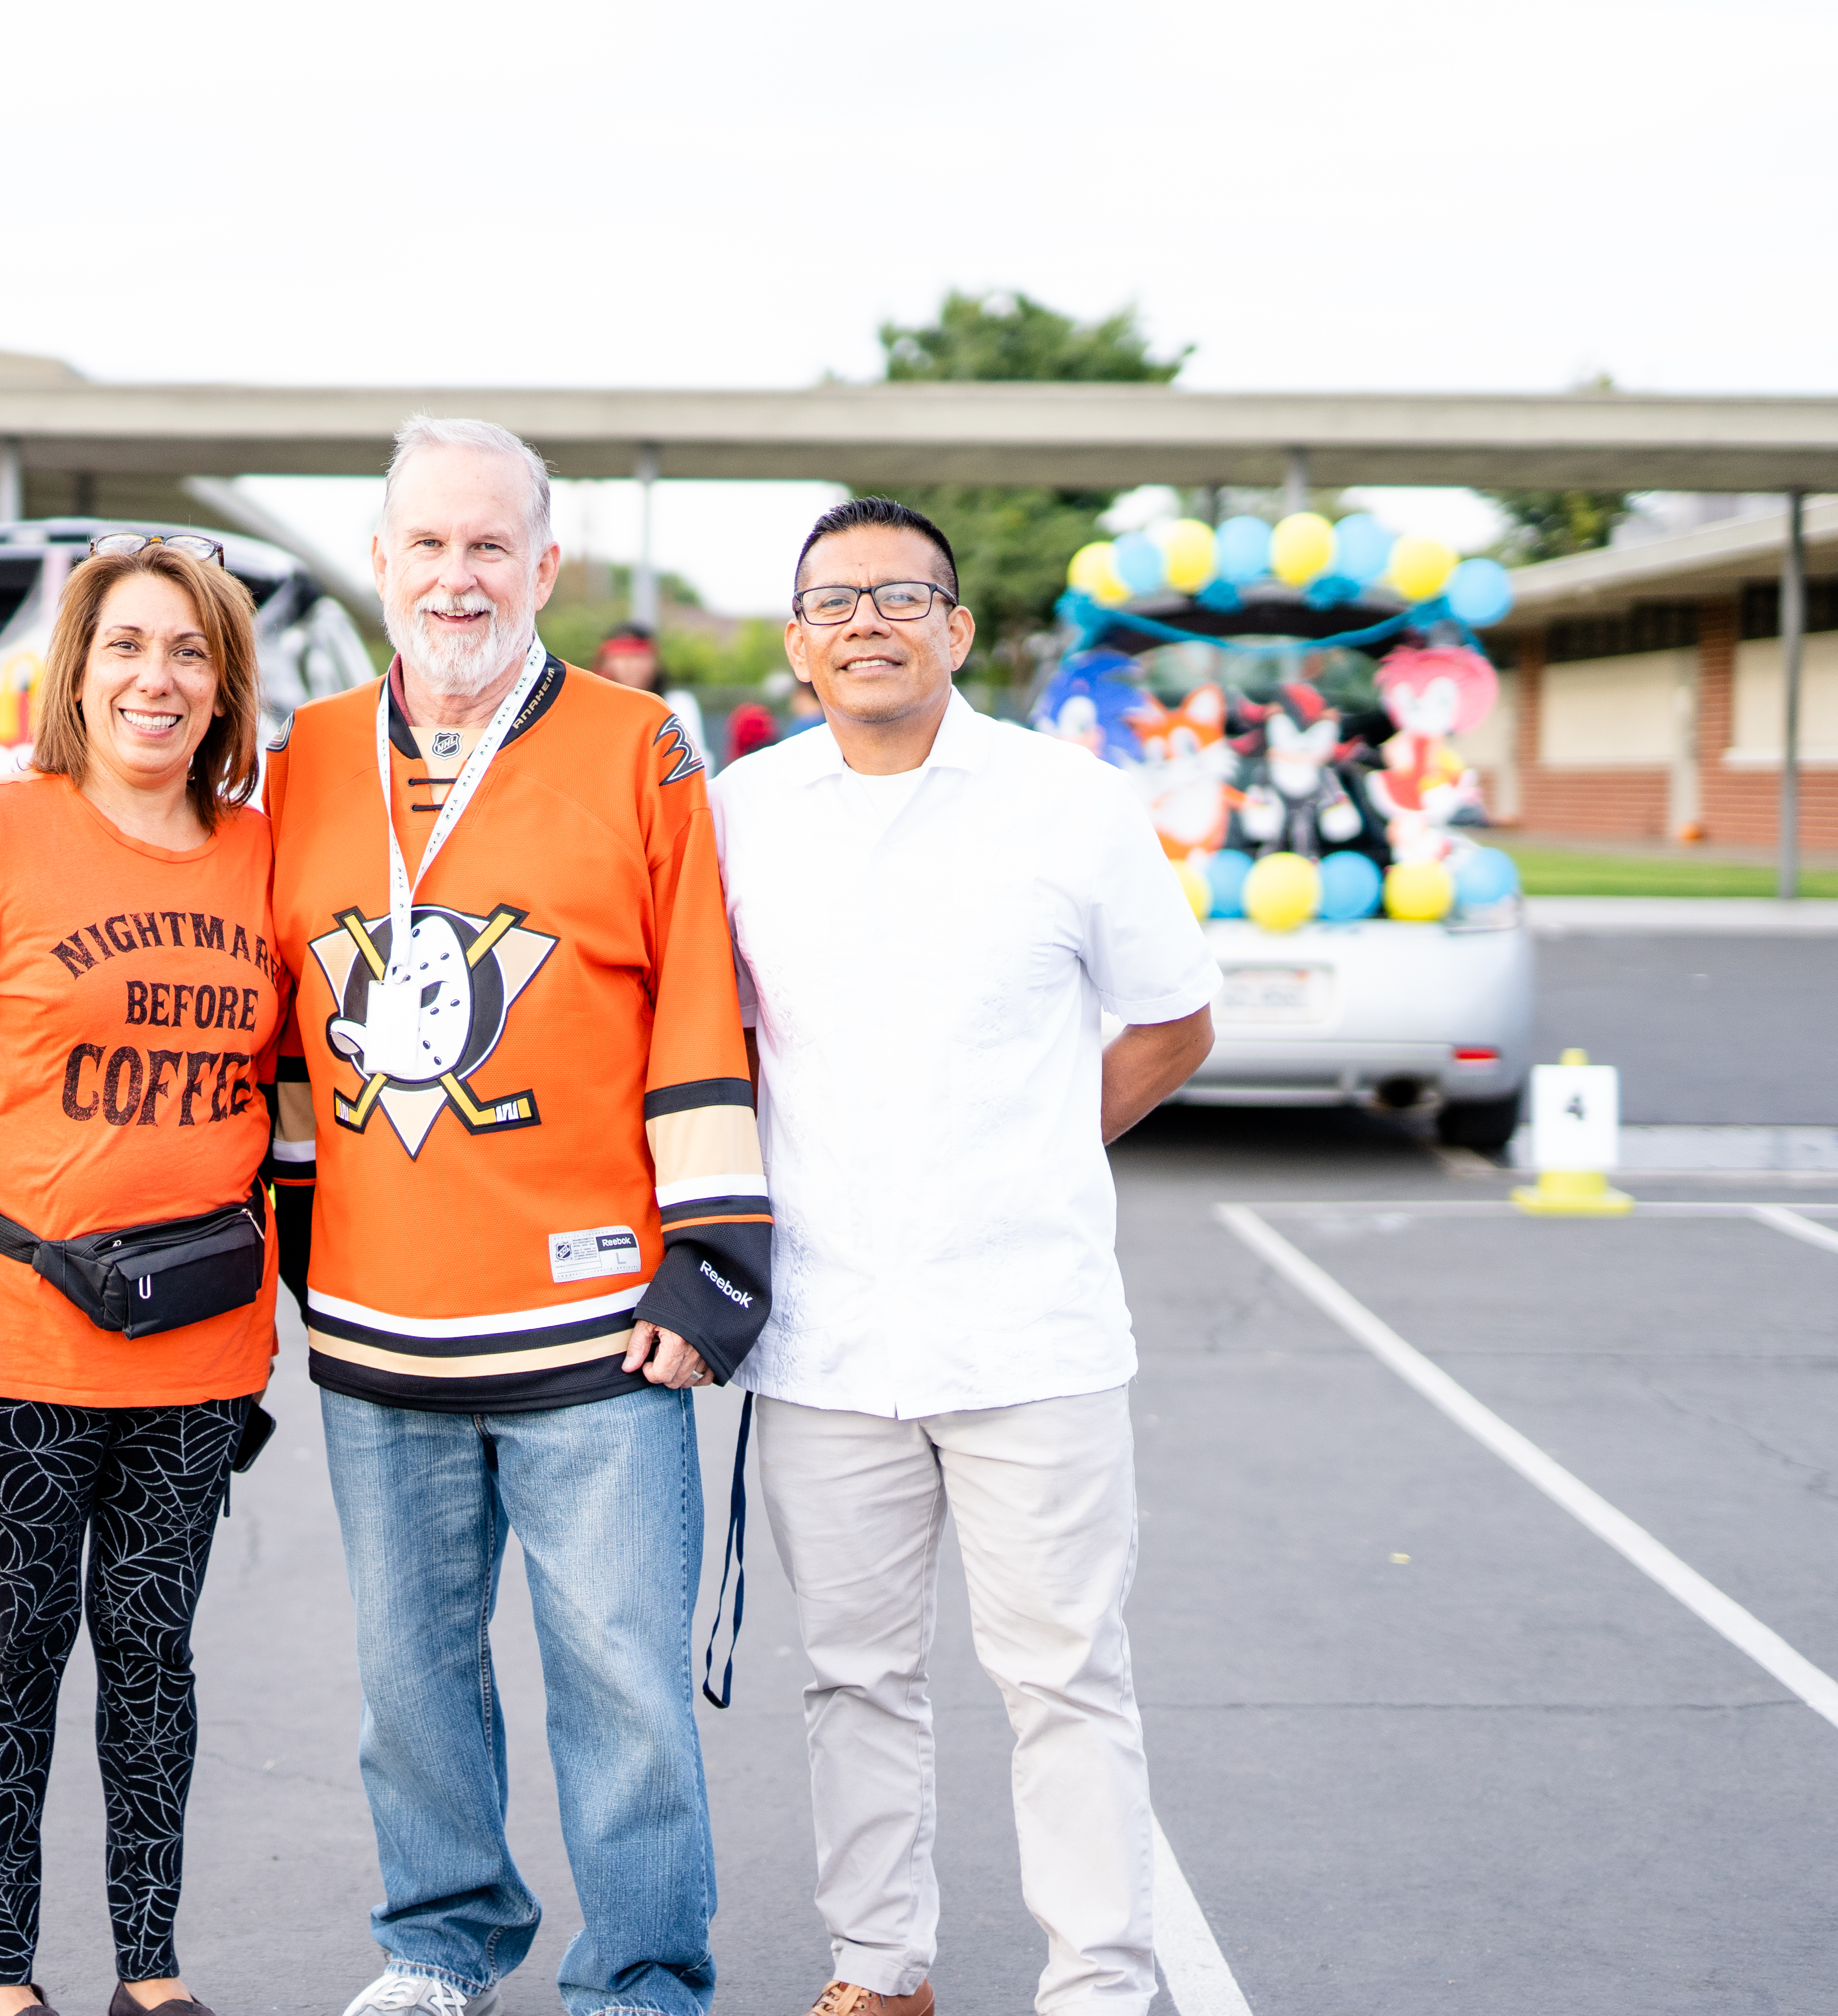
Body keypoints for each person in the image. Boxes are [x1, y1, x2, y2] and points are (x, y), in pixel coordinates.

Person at [262, 417, 770, 2016]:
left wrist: (714, 1258)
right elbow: (275, 1029)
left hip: (597, 1318)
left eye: (490, 546)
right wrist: (279, 1245)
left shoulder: (639, 746)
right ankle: (436, 1944)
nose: (457, 575)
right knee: (408, 1686)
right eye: (427, 544)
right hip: (373, 1320)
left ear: (545, 566)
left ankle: (635, 1976)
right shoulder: (307, 755)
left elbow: (700, 993)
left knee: (621, 1689)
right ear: (382, 561)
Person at [708, 498, 1218, 2016]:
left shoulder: (1065, 802)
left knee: (1062, 1677)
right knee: (852, 1676)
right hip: (821, 1335)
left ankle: (1098, 1983)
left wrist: (1052, 1143)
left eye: (899, 595)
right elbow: (714, 1045)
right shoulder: (738, 812)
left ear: (955, 629)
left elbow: (1174, 1016)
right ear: (796, 643)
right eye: (833, 601)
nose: (866, 623)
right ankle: (879, 1966)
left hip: (1029, 1331)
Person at [0, 533, 283, 2016]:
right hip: (17, 1337)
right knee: (20, 1648)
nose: (155, 677)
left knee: (153, 1654)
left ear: (225, 684)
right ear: (76, 673)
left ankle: (149, 1974)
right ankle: (0, 1981)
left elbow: (291, 1093)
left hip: (200, 1346)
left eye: (187, 651)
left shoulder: (260, 849)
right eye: (126, 647)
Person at [592, 621, 712, 776]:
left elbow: (695, 764)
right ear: (608, 663)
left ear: (654, 662)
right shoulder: (597, 707)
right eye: (623, 658)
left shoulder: (678, 704)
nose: (631, 666)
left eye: (638, 657)